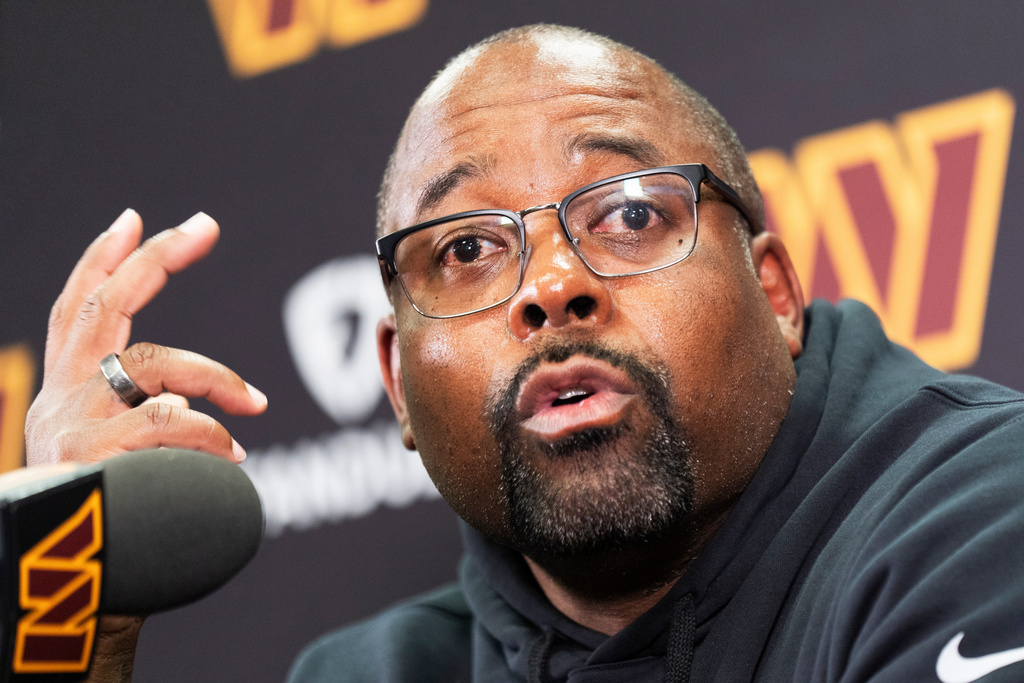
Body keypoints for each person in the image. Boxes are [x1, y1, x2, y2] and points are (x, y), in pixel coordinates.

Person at [25, 24, 1024, 683]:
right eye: (466, 249)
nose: (551, 284)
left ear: (775, 294)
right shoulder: (371, 674)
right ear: (396, 386)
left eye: (630, 213)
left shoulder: (983, 514)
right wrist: (59, 621)